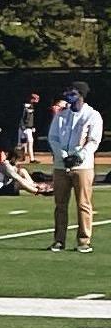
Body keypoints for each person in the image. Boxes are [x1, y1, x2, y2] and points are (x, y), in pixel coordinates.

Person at [49, 83, 101, 252]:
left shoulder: (92, 115)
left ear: (81, 95)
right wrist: (63, 156)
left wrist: (79, 156)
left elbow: (93, 140)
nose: (68, 96)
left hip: (83, 166)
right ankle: (59, 240)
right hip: (60, 165)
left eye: (73, 93)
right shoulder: (61, 115)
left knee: (83, 203)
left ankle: (84, 240)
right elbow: (53, 137)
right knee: (60, 204)